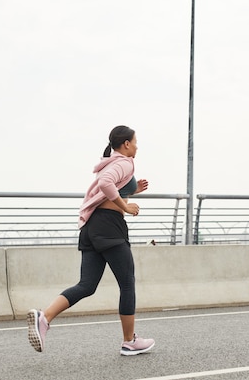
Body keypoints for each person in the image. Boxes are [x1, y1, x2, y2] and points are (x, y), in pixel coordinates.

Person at [27, 125, 155, 356]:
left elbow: (105, 188)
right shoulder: (125, 162)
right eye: (135, 142)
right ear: (126, 144)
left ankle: (44, 318)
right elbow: (107, 184)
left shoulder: (109, 161)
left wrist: (132, 191)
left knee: (87, 285)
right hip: (109, 227)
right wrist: (125, 206)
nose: (137, 146)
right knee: (127, 283)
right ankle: (129, 341)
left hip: (91, 226)